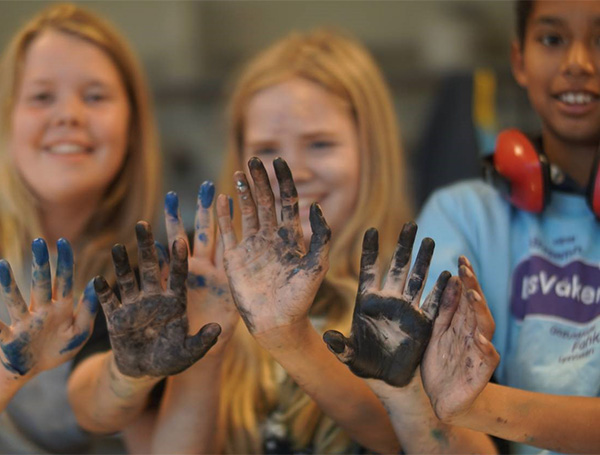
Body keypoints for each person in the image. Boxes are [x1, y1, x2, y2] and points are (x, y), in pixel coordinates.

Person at [148, 28, 497, 455]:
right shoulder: (201, 285)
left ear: (371, 152)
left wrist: (290, 338)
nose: (290, 170)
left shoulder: (419, 294)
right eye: (266, 147)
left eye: (320, 143)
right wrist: (207, 347)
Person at [411, 1, 600, 453]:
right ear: (519, 60)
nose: (577, 64)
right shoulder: (460, 214)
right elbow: (427, 408)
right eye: (552, 39)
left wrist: (473, 402)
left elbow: (450, 401)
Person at [0, 3, 162, 452]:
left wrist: (129, 375)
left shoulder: (148, 280)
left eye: (95, 96)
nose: (68, 115)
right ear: (7, 119)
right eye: (40, 96)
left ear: (132, 127)